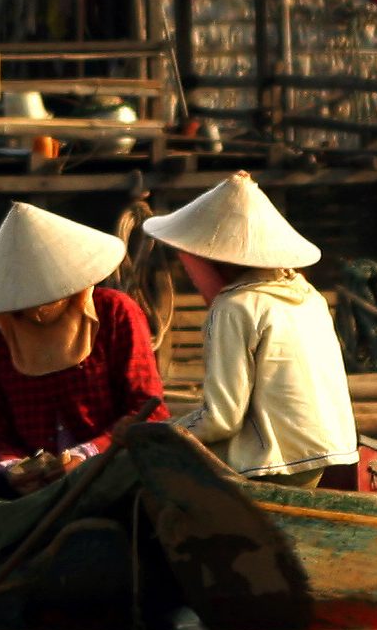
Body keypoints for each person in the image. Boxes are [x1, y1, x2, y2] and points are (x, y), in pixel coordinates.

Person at [0, 200, 163, 565]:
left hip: (102, 472)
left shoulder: (115, 313)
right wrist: (12, 468)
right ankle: (2, 537)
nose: (33, 313)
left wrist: (86, 456)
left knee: (107, 491)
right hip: (32, 488)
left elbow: (148, 411)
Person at [141, 172, 358, 482]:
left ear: (209, 259)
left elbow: (221, 421)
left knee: (141, 466)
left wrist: (158, 434)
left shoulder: (234, 307)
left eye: (189, 265)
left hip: (270, 467)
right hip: (319, 460)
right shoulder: (308, 296)